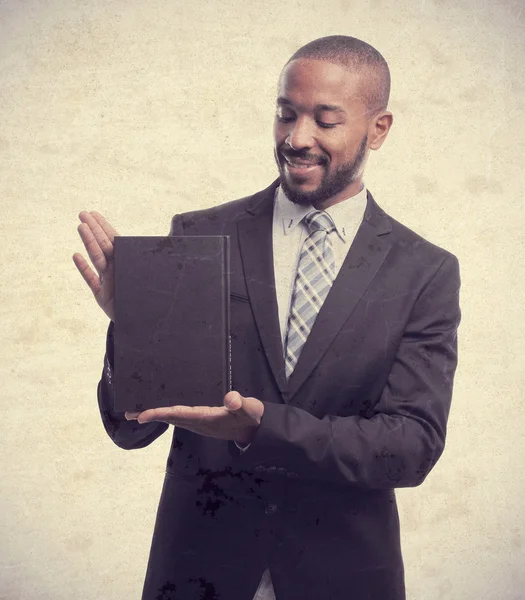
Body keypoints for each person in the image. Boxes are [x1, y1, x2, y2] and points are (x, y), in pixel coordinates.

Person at [73, 35, 461, 600]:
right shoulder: (200, 236)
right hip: (199, 571)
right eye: (286, 114)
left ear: (378, 129)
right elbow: (132, 429)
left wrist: (263, 430)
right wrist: (134, 331)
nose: (296, 138)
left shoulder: (424, 272)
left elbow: (410, 445)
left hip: (344, 575)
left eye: (326, 121)